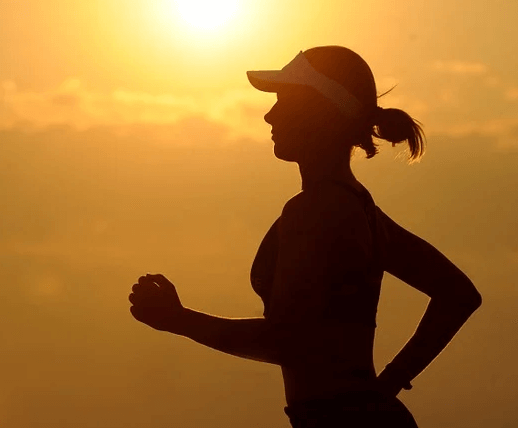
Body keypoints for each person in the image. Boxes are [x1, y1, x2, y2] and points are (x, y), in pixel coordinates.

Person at [128, 45, 483, 427]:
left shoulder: (316, 211)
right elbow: (458, 294)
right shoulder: (360, 208)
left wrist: (179, 320)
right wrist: (387, 385)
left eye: (285, 101)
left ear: (321, 112)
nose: (269, 114)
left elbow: (287, 342)